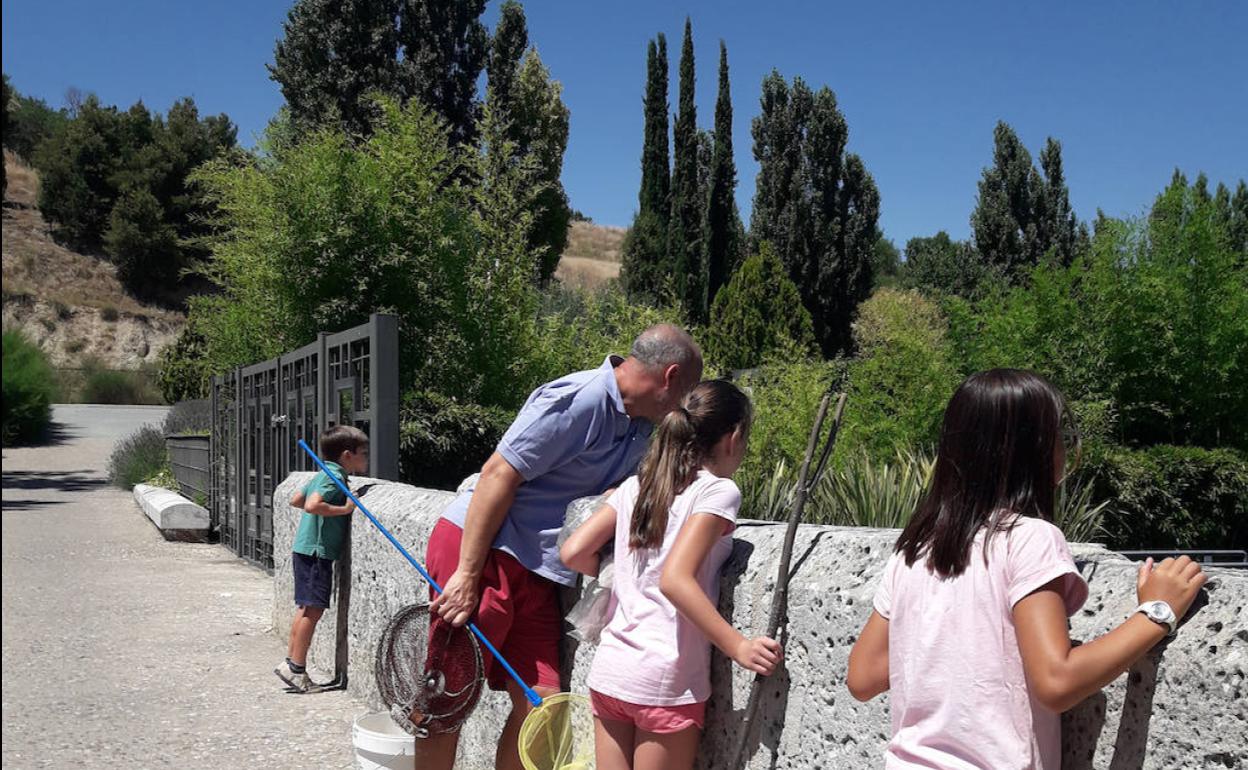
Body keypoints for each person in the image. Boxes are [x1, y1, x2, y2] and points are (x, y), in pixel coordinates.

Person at [846, 369, 1207, 769]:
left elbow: (863, 677)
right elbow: (1056, 682)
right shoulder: (1030, 539)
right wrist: (1158, 612)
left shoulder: (915, 549)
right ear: (1032, 450)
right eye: (1059, 437)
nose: (1064, 449)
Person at [421, 324, 703, 770]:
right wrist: (468, 575)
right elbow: (498, 474)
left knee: (543, 706)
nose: (683, 405)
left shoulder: (640, 425)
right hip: (482, 550)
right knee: (447, 697)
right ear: (669, 377)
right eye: (685, 392)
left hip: (536, 567)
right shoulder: (581, 400)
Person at [561, 380, 783, 770]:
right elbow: (675, 579)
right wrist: (739, 647)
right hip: (664, 680)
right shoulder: (717, 492)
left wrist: (626, 574)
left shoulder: (637, 486)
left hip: (612, 670)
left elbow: (573, 551)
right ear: (733, 438)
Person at [275, 424, 370, 692]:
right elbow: (311, 505)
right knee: (313, 610)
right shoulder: (334, 476)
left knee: (305, 608)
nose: (367, 457)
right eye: (363, 452)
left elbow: (295, 499)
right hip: (318, 552)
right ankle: (297, 669)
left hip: (304, 548)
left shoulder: (323, 472)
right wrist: (345, 508)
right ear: (347, 455)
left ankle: (290, 663)